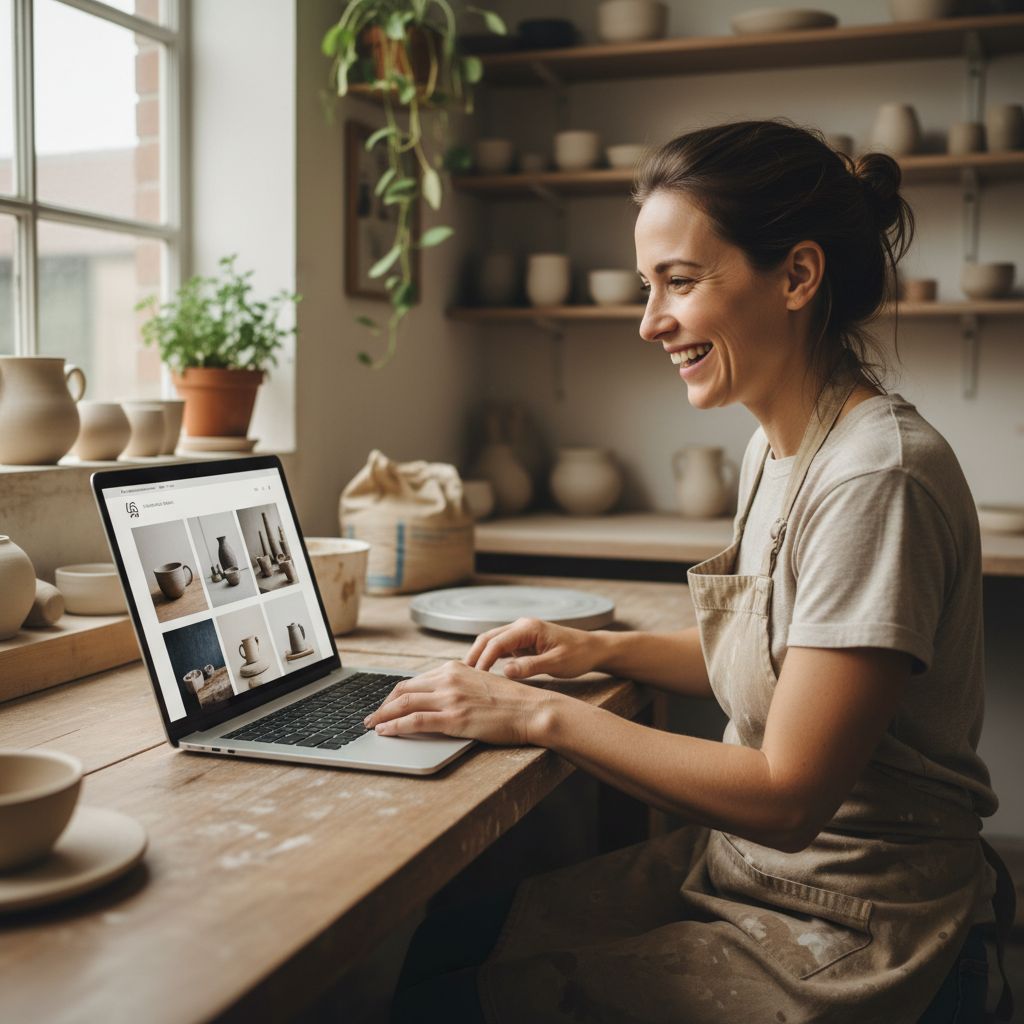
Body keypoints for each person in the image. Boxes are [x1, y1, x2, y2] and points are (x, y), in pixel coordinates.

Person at [370, 121, 1012, 1023]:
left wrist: (536, 713)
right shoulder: (777, 446)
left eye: (679, 281)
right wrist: (593, 648)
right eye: (647, 285)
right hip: (750, 871)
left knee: (443, 1002)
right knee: (448, 939)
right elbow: (771, 660)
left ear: (796, 276)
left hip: (864, 919)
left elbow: (789, 796)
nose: (649, 320)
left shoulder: (877, 477)